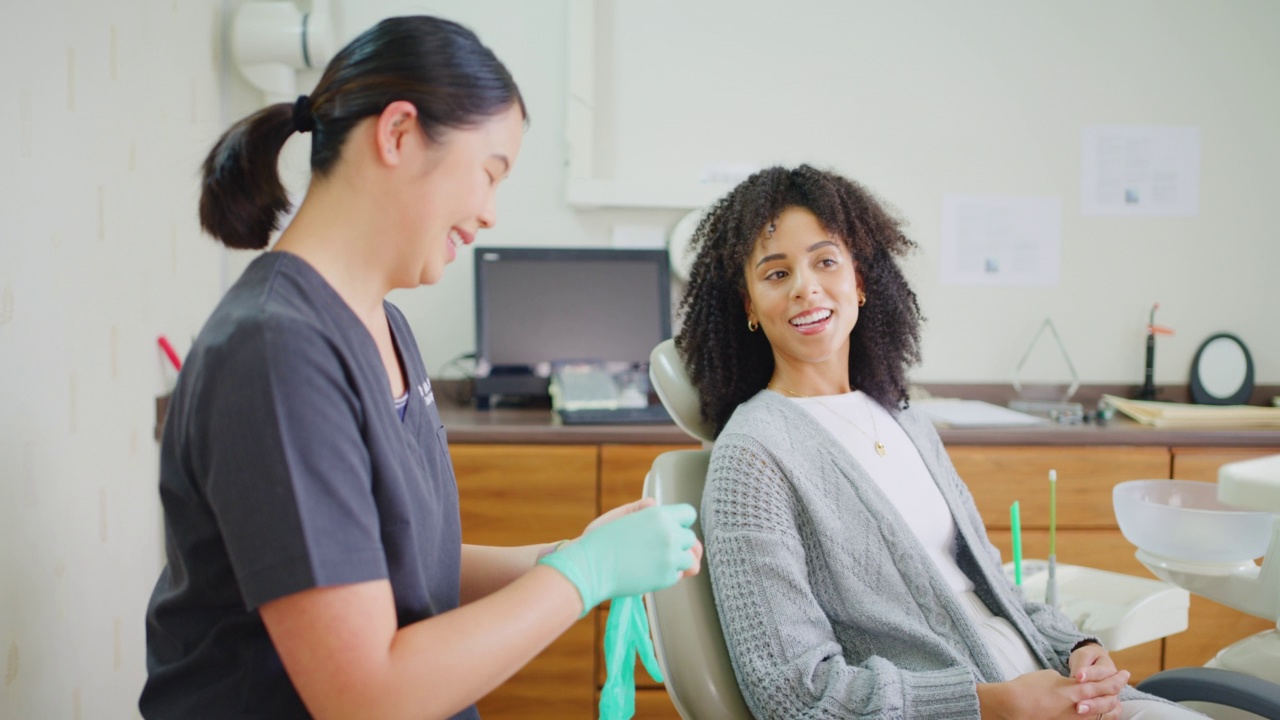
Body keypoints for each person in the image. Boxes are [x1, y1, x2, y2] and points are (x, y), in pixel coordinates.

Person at [141, 16, 700, 720]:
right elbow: (364, 696)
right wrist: (579, 577)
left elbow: (405, 564)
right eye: (490, 174)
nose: (492, 213)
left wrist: (571, 554)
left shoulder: (384, 324)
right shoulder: (275, 353)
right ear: (398, 133)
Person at [675, 165, 1202, 719]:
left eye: (825, 261)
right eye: (777, 274)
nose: (806, 286)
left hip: (1051, 691)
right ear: (749, 305)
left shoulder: (906, 421)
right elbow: (793, 694)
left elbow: (995, 589)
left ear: (858, 281)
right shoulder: (754, 454)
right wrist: (995, 705)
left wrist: (1076, 650)